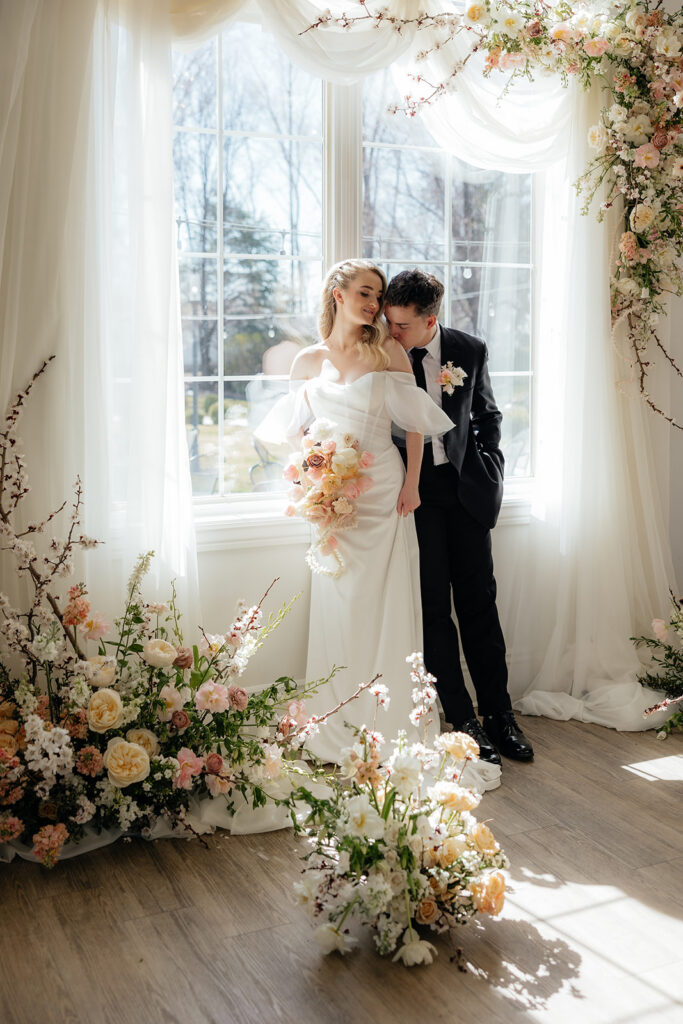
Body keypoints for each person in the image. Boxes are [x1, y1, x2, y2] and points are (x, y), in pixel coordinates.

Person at [255, 259, 455, 763]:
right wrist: (312, 483)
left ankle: (388, 714)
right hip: (332, 499)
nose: (374, 304)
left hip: (384, 490)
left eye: (378, 295)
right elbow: (300, 435)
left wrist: (412, 483)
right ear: (337, 295)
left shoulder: (388, 349)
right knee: (339, 601)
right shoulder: (307, 360)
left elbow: (413, 424)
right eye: (365, 293)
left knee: (382, 599)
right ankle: (334, 714)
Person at [384, 269, 534, 766]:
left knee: (479, 604)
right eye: (391, 320)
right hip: (413, 492)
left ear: (431, 320)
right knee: (432, 610)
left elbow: (487, 416)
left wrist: (489, 467)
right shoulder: (383, 350)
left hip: (466, 491)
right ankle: (461, 717)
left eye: (403, 325)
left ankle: (499, 714)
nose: (393, 332)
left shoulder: (468, 349)